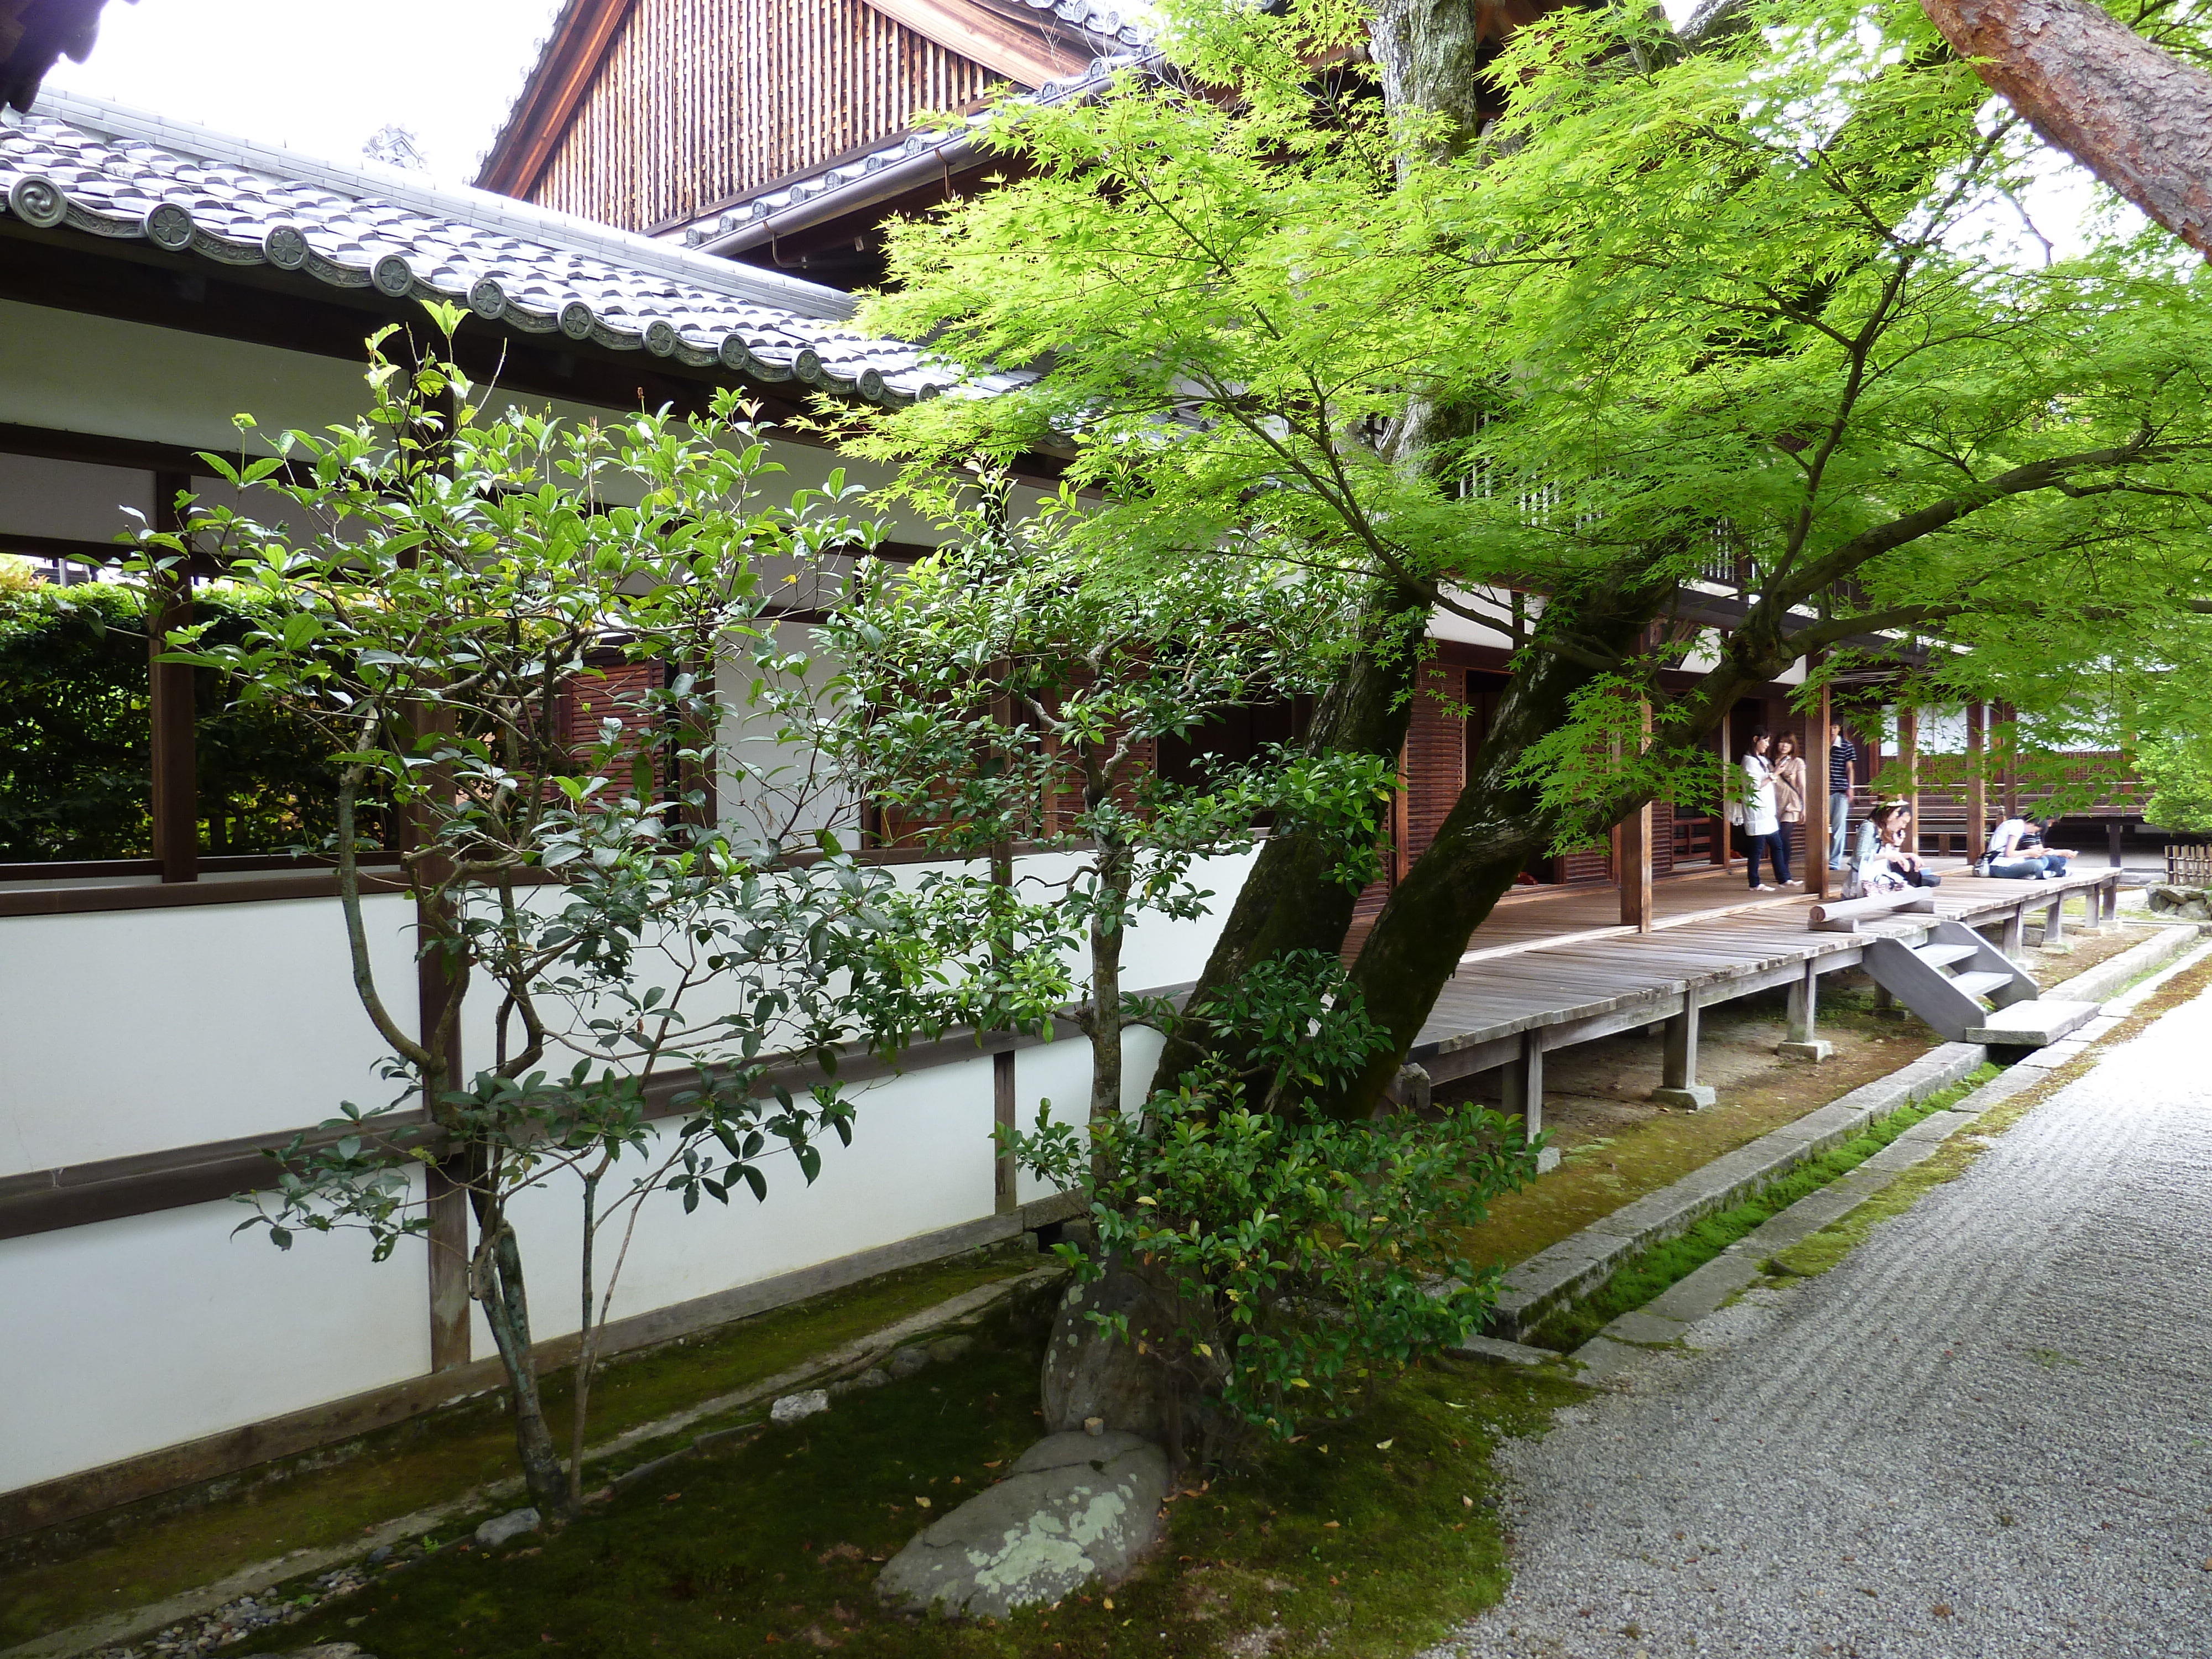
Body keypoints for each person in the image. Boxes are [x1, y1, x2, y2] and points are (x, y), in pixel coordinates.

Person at [1740, 726, 1791, 890]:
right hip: (1757, 810)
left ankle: (1783, 878)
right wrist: (1775, 774)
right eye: (1766, 741)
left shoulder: (1761, 760)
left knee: (1777, 845)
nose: (1768, 745)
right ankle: (1754, 883)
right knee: (1757, 849)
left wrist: (1776, 771)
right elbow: (1754, 786)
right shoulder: (1748, 761)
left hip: (1767, 810)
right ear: (1756, 740)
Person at [1983, 810, 2074, 880]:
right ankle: (2041, 873)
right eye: (2035, 830)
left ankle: (2037, 874)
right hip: (1999, 866)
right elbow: (2009, 854)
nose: (2033, 833)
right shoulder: (2016, 827)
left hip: (2011, 862)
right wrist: (2029, 852)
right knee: (2036, 865)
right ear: (2031, 823)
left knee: (2044, 860)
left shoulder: (2019, 825)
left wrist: (2037, 853)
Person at [1773, 733, 1808, 870]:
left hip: (1791, 803)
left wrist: (1804, 807)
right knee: (1775, 838)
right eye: (1782, 742)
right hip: (1775, 802)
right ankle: (1779, 869)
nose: (1784, 746)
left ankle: (1784, 869)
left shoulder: (1797, 762)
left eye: (1788, 743)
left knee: (1783, 836)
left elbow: (1802, 786)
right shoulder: (1770, 761)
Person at [1827, 721, 1857, 870]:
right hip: (1822, 792)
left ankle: (1834, 862)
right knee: (1819, 827)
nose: (1832, 730)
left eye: (1835, 727)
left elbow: (1850, 768)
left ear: (1839, 729)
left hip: (1840, 791)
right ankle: (1820, 859)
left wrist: (1850, 787)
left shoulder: (1846, 746)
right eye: (1830, 727)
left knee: (1839, 827)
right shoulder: (1820, 745)